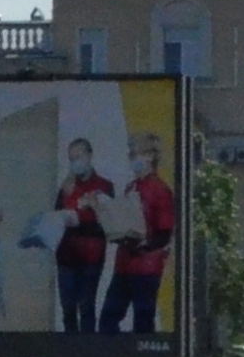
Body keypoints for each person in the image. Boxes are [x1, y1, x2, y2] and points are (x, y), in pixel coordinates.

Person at [101, 132, 178, 338]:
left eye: (136, 154)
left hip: (146, 267)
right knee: (108, 318)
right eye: (131, 154)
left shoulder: (161, 190)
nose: (132, 159)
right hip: (124, 264)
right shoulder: (131, 187)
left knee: (143, 323)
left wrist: (144, 245)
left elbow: (164, 233)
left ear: (150, 156)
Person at [51, 136, 114, 335]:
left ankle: (87, 351)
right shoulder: (67, 186)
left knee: (86, 306)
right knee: (67, 307)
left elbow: (109, 222)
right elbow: (56, 217)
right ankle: (70, 351)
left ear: (90, 156)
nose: (75, 162)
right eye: (72, 159)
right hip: (66, 256)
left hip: (91, 256)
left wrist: (87, 214)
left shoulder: (104, 186)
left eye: (79, 156)